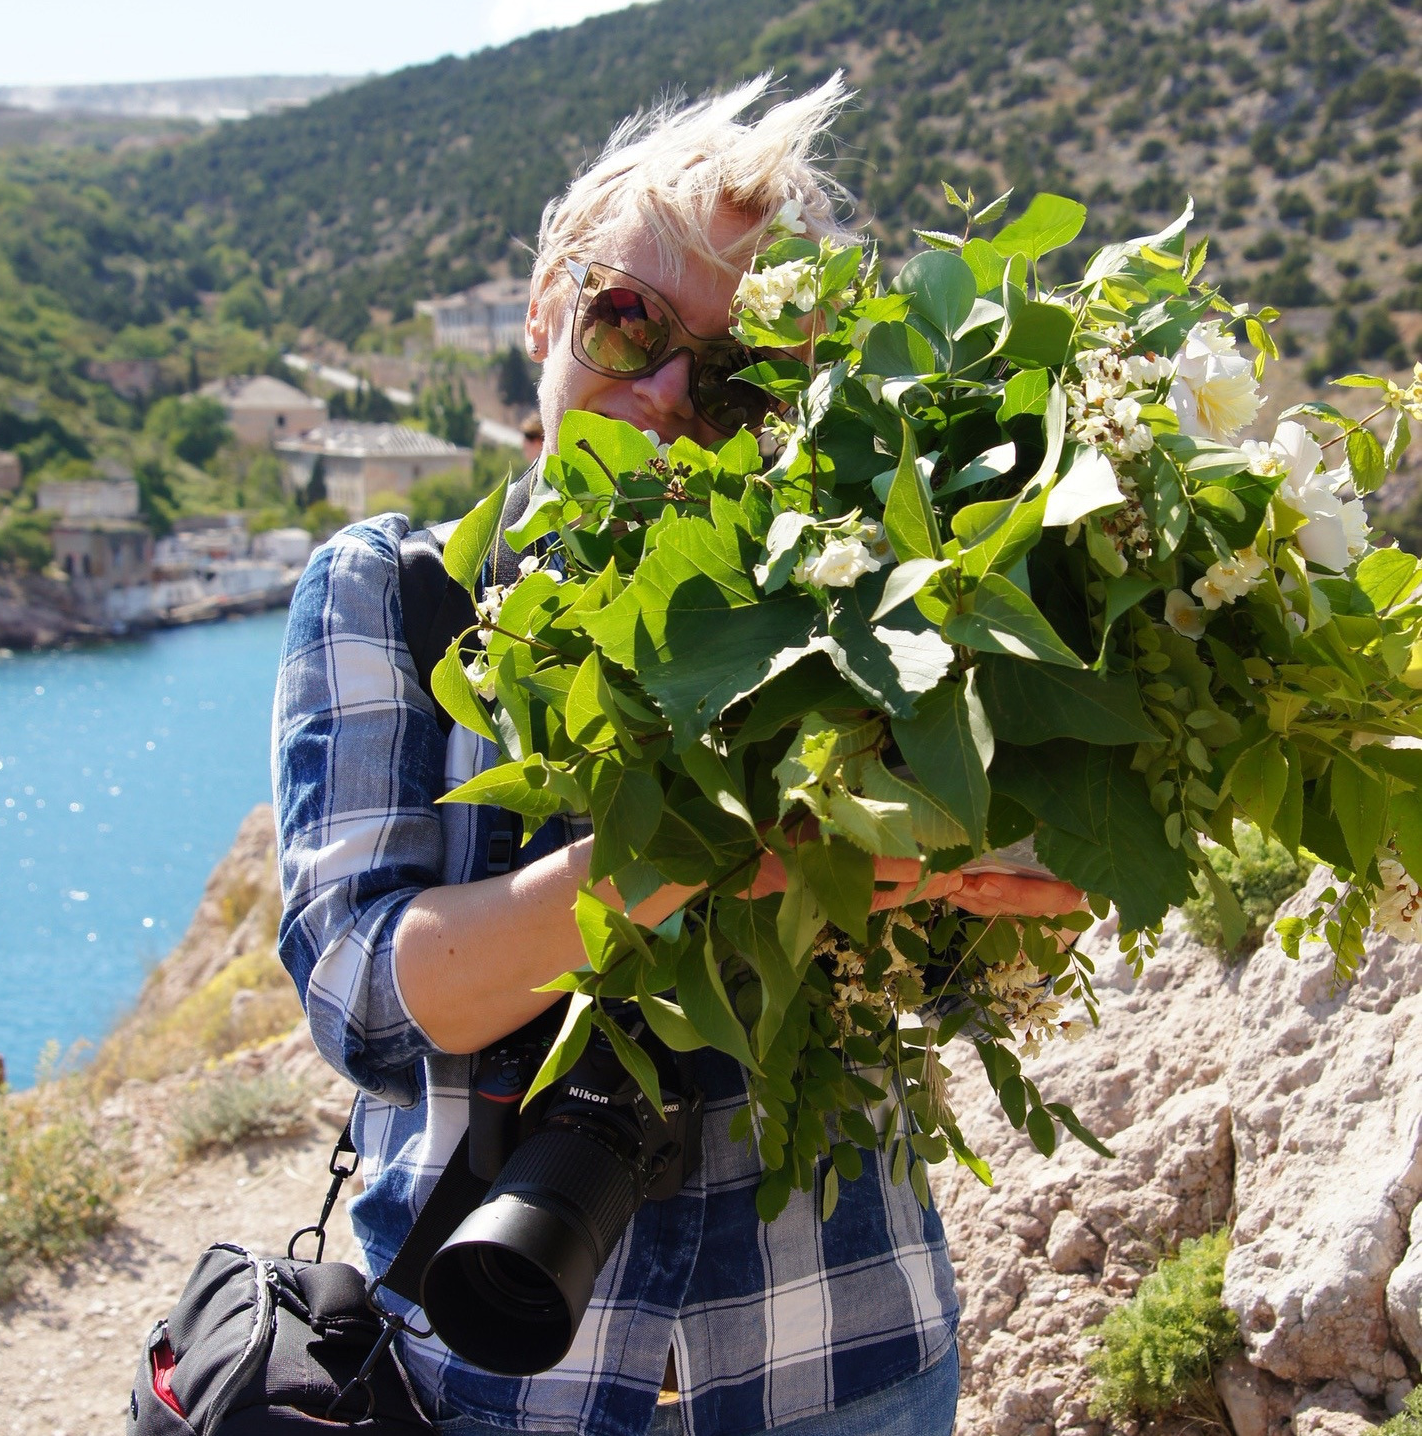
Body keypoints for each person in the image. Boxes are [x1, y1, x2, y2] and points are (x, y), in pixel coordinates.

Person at [272, 73, 1081, 1436]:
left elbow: (944, 1000)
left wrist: (985, 910)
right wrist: (689, 865)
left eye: (735, 372)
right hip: (497, 1376)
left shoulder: (875, 602)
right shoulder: (395, 594)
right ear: (545, 305)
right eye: (628, 317)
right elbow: (361, 994)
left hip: (847, 1360)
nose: (661, 392)